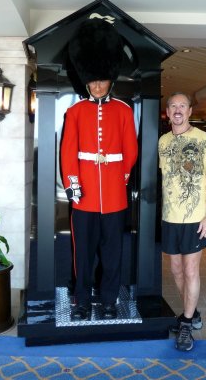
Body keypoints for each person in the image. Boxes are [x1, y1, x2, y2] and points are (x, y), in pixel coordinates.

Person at [61, 17, 138, 321]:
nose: (95, 85)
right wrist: (73, 186)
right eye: (91, 80)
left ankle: (108, 299)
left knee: (112, 253)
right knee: (83, 253)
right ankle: (81, 300)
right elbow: (68, 152)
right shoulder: (75, 111)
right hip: (85, 196)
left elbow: (130, 151)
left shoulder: (123, 110)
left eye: (100, 80)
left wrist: (120, 178)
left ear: (110, 78)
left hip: (115, 198)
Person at [158, 92, 206, 351]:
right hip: (170, 217)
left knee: (191, 269)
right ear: (168, 112)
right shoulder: (163, 141)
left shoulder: (204, 140)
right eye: (173, 106)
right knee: (175, 269)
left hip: (196, 218)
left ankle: (185, 323)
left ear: (190, 111)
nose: (178, 109)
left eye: (183, 105)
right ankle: (191, 313)